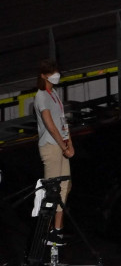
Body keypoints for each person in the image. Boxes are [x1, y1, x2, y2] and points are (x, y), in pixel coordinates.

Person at [33, 59, 72, 244]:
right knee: (51, 191)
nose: (56, 75)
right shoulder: (41, 95)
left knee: (65, 187)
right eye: (51, 72)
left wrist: (69, 143)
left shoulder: (54, 93)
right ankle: (45, 232)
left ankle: (57, 231)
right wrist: (63, 145)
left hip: (61, 145)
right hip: (50, 146)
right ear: (43, 75)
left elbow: (62, 122)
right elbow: (49, 125)